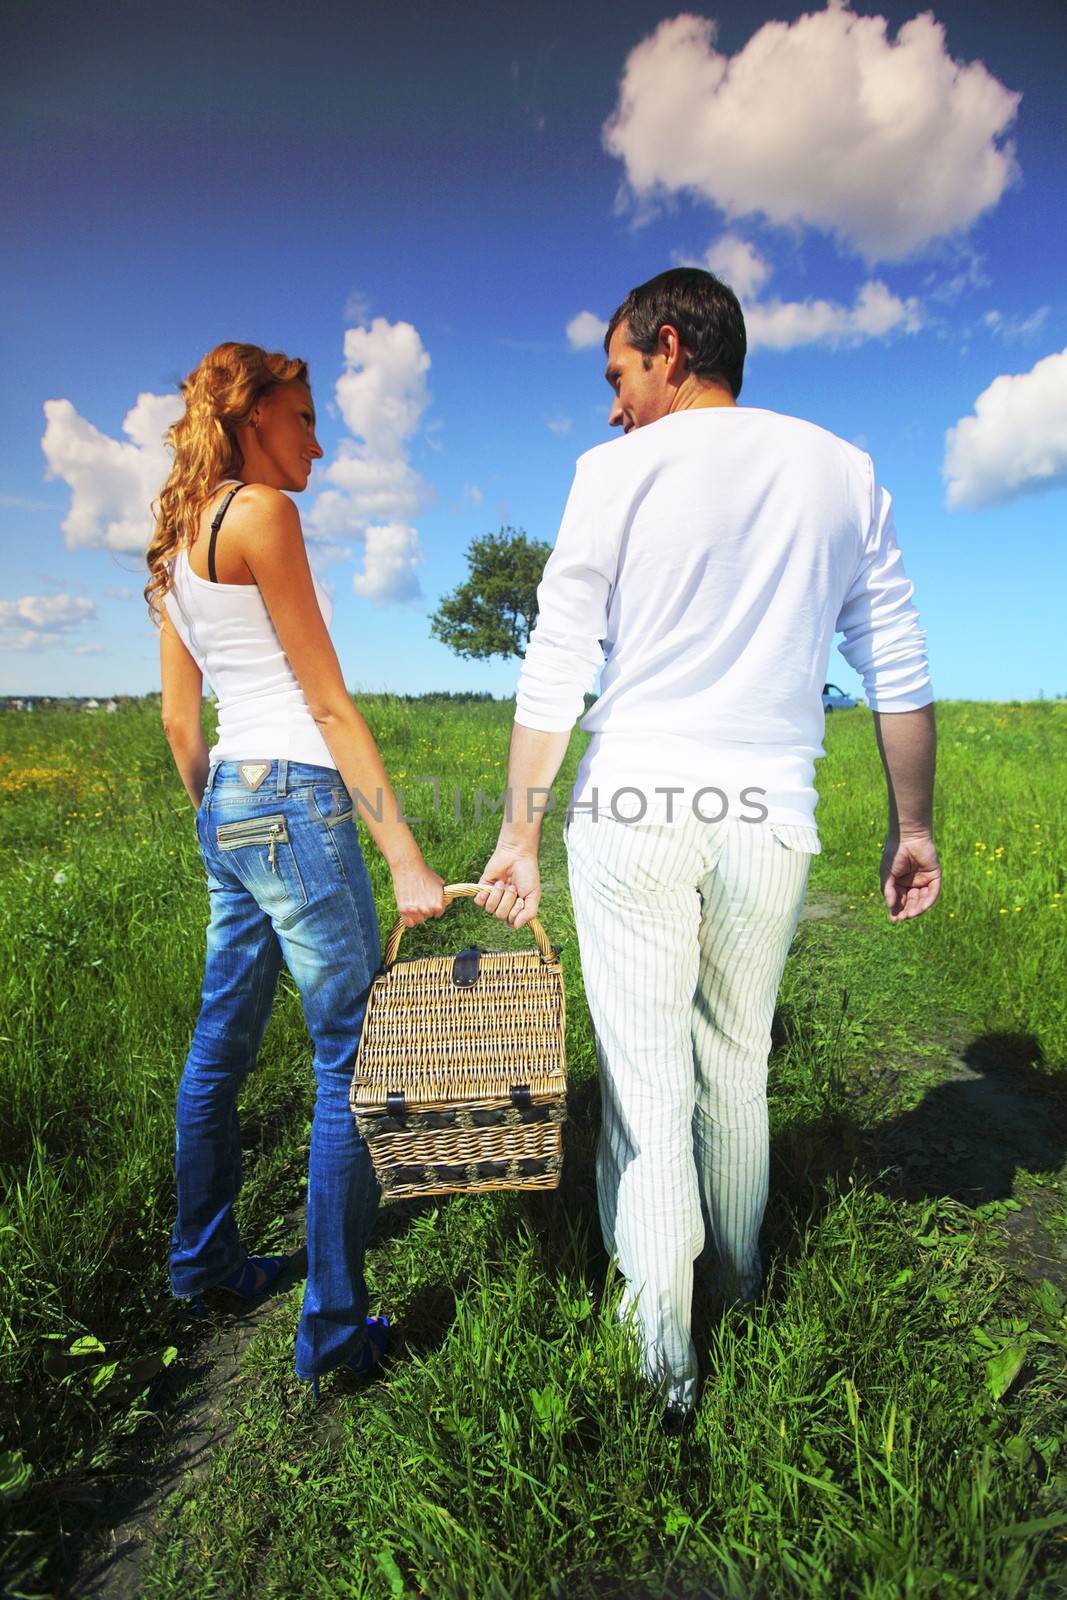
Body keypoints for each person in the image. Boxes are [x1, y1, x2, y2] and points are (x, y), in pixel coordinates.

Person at [476, 268, 940, 1433]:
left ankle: (662, 1370)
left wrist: (517, 829)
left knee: (646, 1092)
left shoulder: (611, 475)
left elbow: (557, 663)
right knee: (736, 1070)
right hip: (768, 818)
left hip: (633, 807)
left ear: (669, 348)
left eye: (618, 375)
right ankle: (736, 1293)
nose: (611, 404)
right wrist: (911, 823)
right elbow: (896, 661)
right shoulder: (844, 471)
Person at [145, 341, 446, 1392]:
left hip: (227, 795)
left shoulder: (174, 538)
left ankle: (205, 1263)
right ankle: (333, 1336)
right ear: (250, 415)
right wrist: (401, 853)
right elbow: (325, 700)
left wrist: (220, 827)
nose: (319, 440)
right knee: (351, 1059)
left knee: (220, 1041)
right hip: (296, 793)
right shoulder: (263, 515)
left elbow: (182, 720)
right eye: (305, 417)